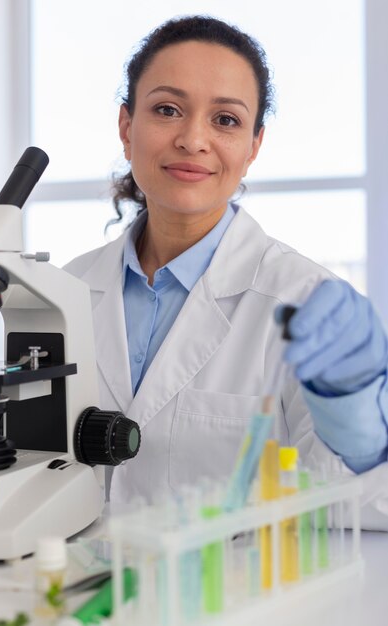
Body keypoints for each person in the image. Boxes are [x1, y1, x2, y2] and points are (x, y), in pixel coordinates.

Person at [65, 15, 388, 527]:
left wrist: (361, 434)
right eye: (167, 109)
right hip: (74, 602)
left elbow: (362, 505)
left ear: (254, 146)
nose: (193, 140)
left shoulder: (305, 303)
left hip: (229, 602)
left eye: (226, 120)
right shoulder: (65, 293)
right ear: (127, 128)